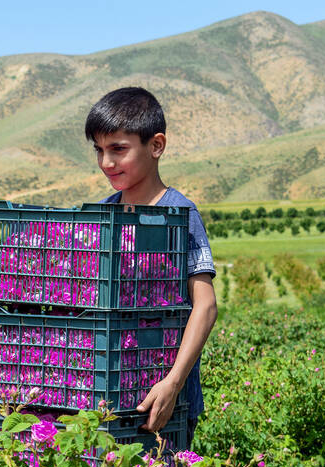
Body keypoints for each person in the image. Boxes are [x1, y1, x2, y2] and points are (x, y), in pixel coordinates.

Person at [85, 86, 218, 446]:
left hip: (162, 400)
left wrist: (172, 383)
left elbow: (205, 305)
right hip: (108, 393)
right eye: (99, 150)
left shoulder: (180, 214)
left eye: (118, 149)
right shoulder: (103, 213)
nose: (106, 162)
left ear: (156, 145)